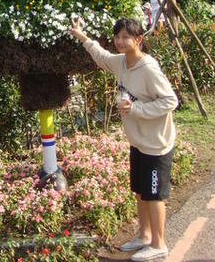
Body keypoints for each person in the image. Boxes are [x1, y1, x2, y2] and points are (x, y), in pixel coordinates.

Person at [69, 16, 178, 262]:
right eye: (117, 36)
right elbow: (101, 55)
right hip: (138, 142)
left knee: (153, 194)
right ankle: (144, 236)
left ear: (138, 39)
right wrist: (82, 36)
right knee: (140, 192)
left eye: (125, 37)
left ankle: (159, 244)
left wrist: (137, 110)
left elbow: (171, 101)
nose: (120, 41)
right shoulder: (121, 63)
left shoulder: (148, 68)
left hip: (156, 144)